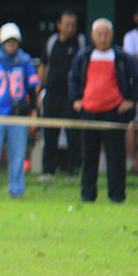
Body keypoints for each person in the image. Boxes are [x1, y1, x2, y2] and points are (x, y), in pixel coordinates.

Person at [68, 18, 138, 204]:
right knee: (89, 155)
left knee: (116, 157)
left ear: (112, 35)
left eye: (106, 34)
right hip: (89, 111)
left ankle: (117, 195)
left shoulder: (121, 57)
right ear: (92, 36)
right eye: (99, 34)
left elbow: (135, 78)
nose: (103, 38)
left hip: (113, 112)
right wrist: (76, 99)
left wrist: (130, 100)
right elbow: (73, 79)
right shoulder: (84, 56)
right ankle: (87, 194)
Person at [0, 22, 39, 200]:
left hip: (18, 115)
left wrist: (33, 110)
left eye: (14, 41)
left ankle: (16, 190)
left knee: (18, 155)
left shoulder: (25, 61)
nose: (11, 45)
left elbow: (32, 87)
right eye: (8, 41)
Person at [38, 11, 86, 179]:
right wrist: (39, 88)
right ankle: (48, 170)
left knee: (73, 134)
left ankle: (73, 170)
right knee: (50, 133)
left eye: (73, 25)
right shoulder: (52, 42)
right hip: (52, 95)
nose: (70, 28)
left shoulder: (80, 43)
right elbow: (44, 65)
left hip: (71, 96)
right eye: (67, 24)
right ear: (59, 25)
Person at [123, 6, 138, 174]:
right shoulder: (130, 37)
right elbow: (131, 60)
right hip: (135, 86)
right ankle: (134, 162)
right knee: (132, 125)